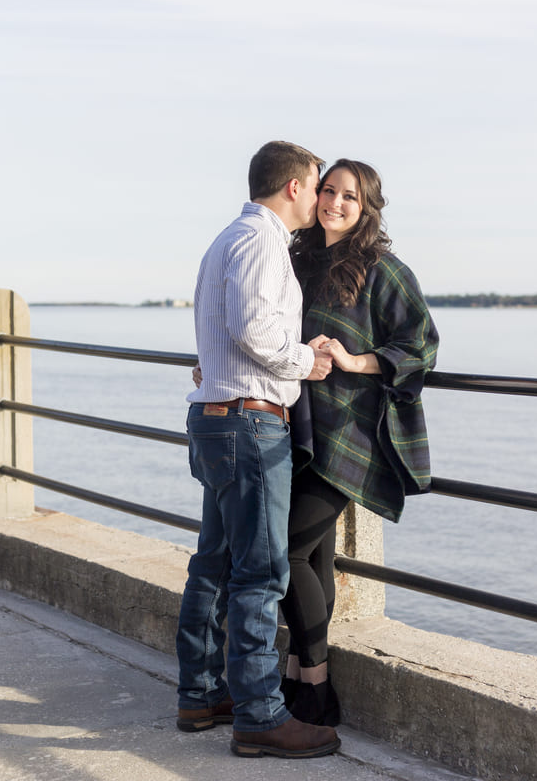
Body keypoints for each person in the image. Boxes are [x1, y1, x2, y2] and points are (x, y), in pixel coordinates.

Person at [175, 140, 342, 759]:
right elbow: (254, 328)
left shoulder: (228, 239)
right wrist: (310, 360)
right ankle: (260, 715)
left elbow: (225, 329)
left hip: (220, 418)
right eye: (318, 185)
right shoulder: (260, 242)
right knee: (262, 571)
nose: (321, 198)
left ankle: (202, 694)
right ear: (294, 186)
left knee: (214, 561)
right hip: (249, 422)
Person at [279, 159, 439, 726]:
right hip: (295, 429)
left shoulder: (384, 270)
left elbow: (420, 345)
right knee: (313, 557)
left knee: (285, 550)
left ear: (366, 206)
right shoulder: (298, 263)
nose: (335, 203)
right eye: (328, 191)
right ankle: (298, 678)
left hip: (350, 436)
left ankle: (315, 685)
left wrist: (353, 359)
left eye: (350, 196)